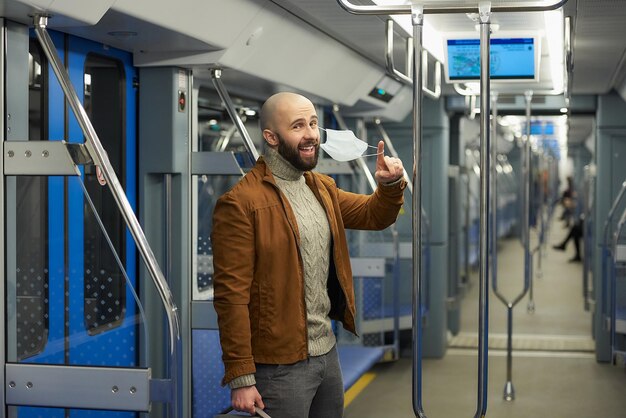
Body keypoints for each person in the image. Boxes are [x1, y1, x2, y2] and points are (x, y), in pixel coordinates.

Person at [211, 92, 406, 418]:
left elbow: (374, 216)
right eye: (298, 126)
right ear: (271, 137)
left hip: (326, 353)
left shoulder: (321, 187)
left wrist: (389, 186)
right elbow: (231, 297)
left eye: (313, 124)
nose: (311, 134)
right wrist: (241, 376)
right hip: (278, 366)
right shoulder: (241, 203)